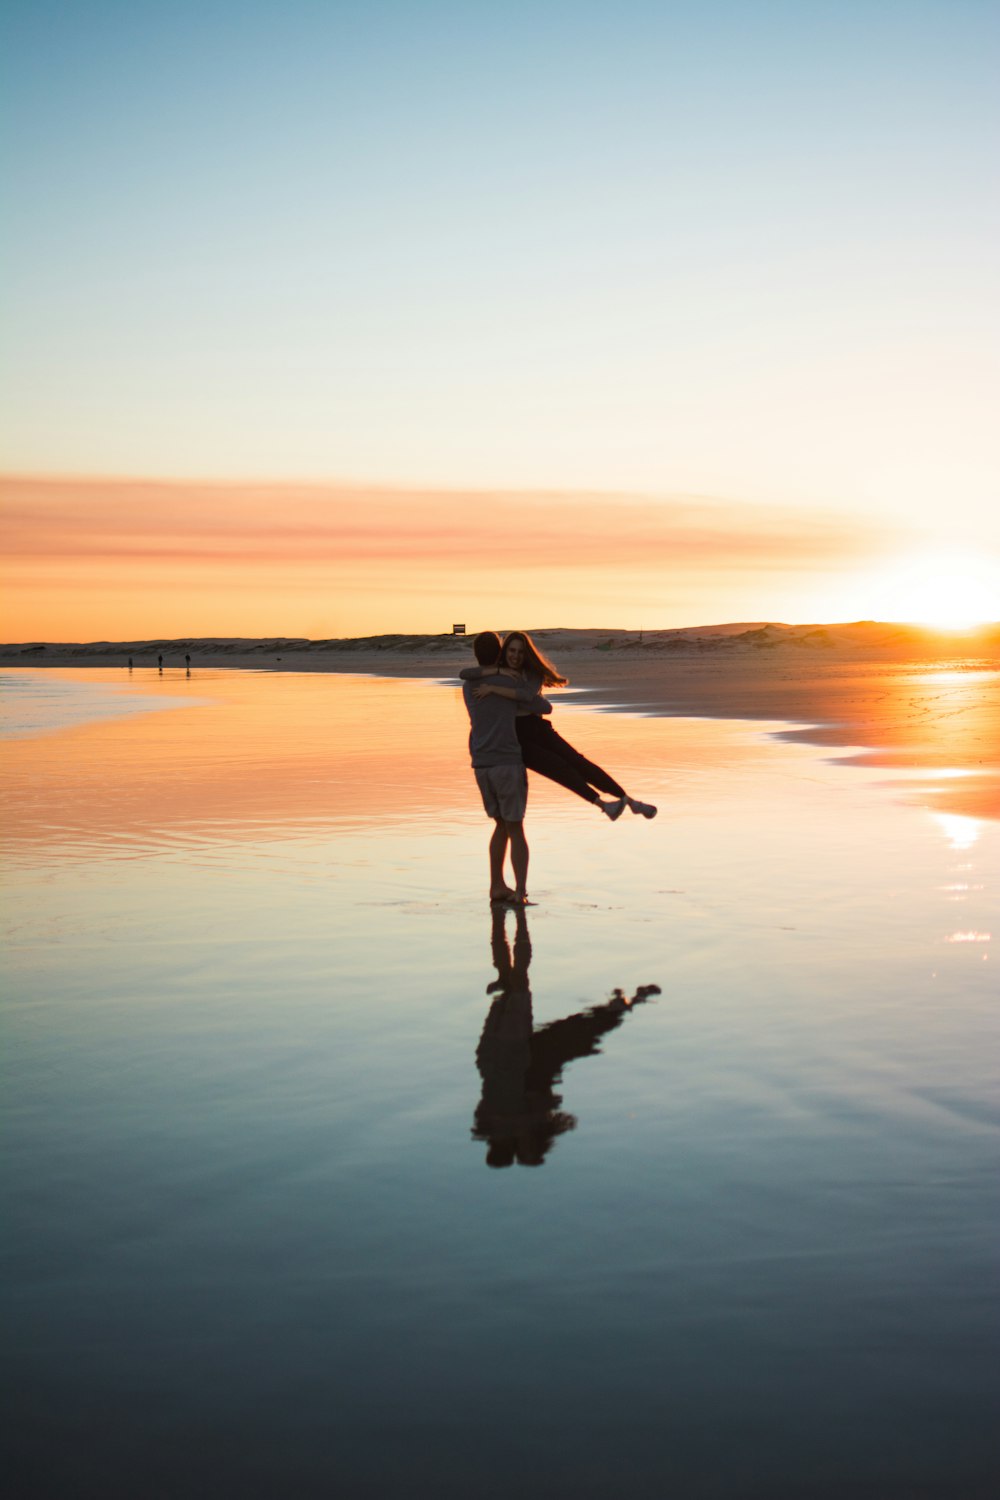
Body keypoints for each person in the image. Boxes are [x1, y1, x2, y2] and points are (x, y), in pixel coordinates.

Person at [462, 630, 657, 821]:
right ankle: (603, 805)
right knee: (559, 769)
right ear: (504, 652)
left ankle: (629, 801)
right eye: (512, 651)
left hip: (538, 727)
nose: (516, 656)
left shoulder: (532, 673)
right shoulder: (500, 672)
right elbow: (466, 673)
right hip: (517, 736)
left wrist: (498, 690)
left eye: (520, 652)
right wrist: (498, 672)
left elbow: (538, 703)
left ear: (526, 654)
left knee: (577, 761)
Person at [461, 630, 552, 905]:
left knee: (500, 825)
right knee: (516, 829)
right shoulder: (508, 683)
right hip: (507, 762)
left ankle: (496, 886)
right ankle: (520, 891)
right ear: (500, 653)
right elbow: (543, 706)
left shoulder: (469, 685)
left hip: (481, 764)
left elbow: (464, 673)